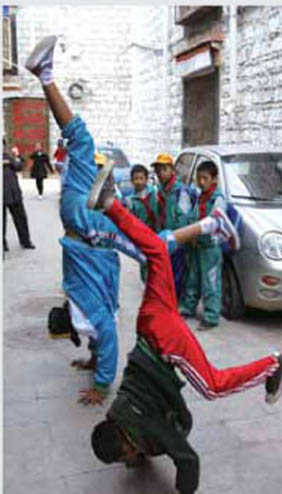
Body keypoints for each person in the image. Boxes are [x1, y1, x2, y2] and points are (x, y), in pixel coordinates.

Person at [88, 183, 282, 494]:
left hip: (164, 340)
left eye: (127, 455)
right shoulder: (116, 412)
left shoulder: (148, 431)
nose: (130, 459)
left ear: (128, 443)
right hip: (150, 318)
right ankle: (110, 204)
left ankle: (272, 364)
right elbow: (133, 429)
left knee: (212, 386)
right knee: (156, 251)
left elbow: (188, 459)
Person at [25, 35, 146, 405]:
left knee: (101, 317)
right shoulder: (95, 199)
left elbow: (140, 247)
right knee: (80, 138)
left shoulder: (114, 213)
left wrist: (156, 255)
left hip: (84, 239)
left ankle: (45, 75)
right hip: (82, 226)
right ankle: (45, 76)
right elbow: (143, 248)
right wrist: (103, 384)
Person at [179, 161, 229, 330]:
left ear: (214, 179)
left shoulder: (218, 199)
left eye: (205, 178)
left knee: (210, 282)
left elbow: (214, 222)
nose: (201, 182)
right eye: (198, 179)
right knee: (192, 278)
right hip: (197, 245)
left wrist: (196, 231)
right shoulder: (201, 196)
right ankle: (188, 308)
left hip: (210, 247)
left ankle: (211, 316)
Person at [152, 152, 194, 297]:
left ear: (172, 170)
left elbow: (184, 217)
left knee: (177, 273)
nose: (160, 174)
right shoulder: (162, 191)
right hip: (165, 237)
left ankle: (174, 301)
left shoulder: (180, 192)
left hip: (177, 239)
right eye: (158, 171)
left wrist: (178, 237)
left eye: (164, 169)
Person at [124, 164, 158, 282]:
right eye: (136, 179)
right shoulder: (130, 201)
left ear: (146, 179)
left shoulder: (154, 194)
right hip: (141, 237)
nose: (138, 181)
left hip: (156, 233)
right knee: (144, 264)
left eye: (141, 178)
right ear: (132, 181)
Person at [3, 140, 36, 252]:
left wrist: (17, 156)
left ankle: (25, 241)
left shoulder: (7, 156)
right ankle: (3, 244)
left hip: (14, 193)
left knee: (21, 218)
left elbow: (19, 166)